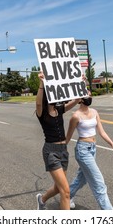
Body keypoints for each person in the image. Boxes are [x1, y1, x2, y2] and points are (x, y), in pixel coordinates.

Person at [35, 71, 83, 210]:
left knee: (58, 188)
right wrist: (42, 83)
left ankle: (42, 199)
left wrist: (81, 82)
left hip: (63, 151)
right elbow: (38, 103)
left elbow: (76, 100)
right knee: (66, 191)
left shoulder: (59, 110)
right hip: (51, 152)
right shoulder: (42, 113)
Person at [66, 94, 113, 210]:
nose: (89, 97)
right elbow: (68, 137)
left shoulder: (95, 112)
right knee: (99, 183)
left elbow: (102, 132)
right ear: (79, 99)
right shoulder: (75, 116)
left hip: (92, 149)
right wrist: (59, 151)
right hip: (83, 151)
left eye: (90, 95)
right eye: (86, 95)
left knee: (82, 178)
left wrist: (112, 144)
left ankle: (67, 196)